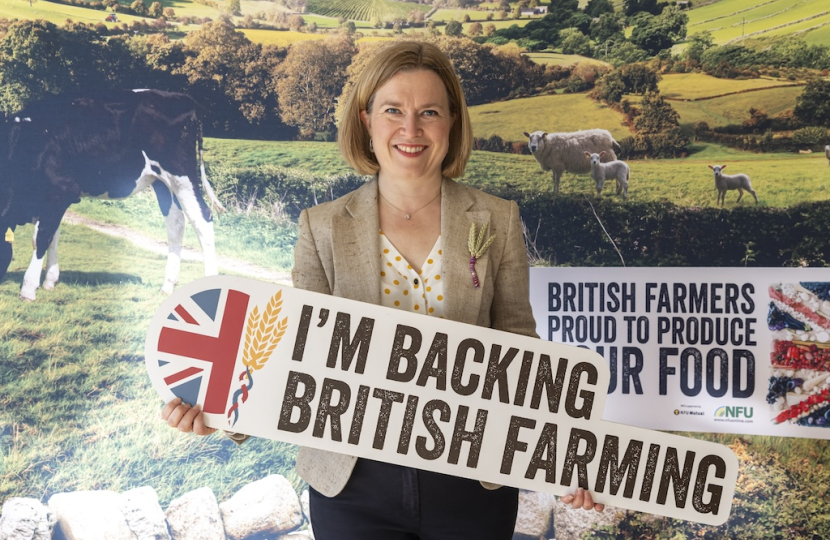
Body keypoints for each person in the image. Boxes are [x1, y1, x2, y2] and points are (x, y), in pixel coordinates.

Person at [161, 40, 602, 539]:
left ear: (451, 122)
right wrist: (226, 411)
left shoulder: (497, 218)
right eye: (393, 110)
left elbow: (521, 351)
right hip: (353, 484)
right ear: (367, 119)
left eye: (428, 112)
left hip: (472, 483)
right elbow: (298, 359)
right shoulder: (321, 227)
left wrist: (567, 451)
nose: (410, 130)